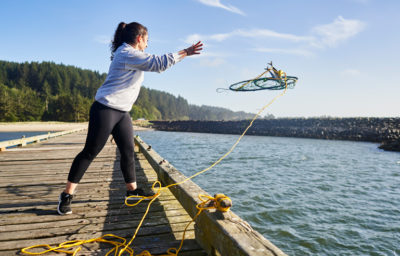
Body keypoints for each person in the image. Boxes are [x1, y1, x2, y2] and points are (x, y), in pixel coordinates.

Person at [57, 21, 203, 215]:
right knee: (90, 151)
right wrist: (185, 51)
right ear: (139, 39)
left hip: (122, 112)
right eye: (147, 41)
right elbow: (158, 64)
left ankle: (132, 191)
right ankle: (66, 195)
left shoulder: (131, 54)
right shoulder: (126, 53)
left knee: (127, 151)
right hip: (105, 109)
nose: (148, 45)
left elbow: (154, 62)